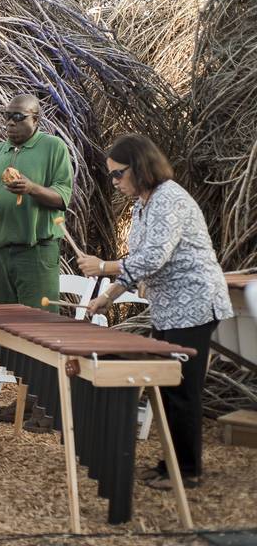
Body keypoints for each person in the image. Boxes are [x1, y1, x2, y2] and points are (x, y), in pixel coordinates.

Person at [79, 133, 232, 491]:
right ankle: (171, 465)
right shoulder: (143, 204)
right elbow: (141, 263)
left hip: (194, 305)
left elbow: (153, 257)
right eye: (111, 176)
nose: (115, 182)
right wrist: (109, 297)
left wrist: (102, 267)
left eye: (118, 174)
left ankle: (188, 470)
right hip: (170, 309)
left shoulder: (169, 200)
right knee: (166, 387)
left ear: (139, 167)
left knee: (181, 389)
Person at [0, 94, 73, 431]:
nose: (12, 124)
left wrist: (30, 188)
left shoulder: (52, 148)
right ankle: (28, 397)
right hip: (2, 249)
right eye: (8, 118)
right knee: (7, 330)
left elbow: (62, 197)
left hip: (37, 249)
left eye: (20, 118)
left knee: (40, 329)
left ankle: (50, 405)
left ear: (36, 119)